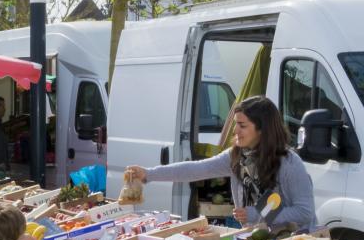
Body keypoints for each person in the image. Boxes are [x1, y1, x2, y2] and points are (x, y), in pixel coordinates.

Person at [126, 96, 317, 230]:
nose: (235, 131)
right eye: (235, 124)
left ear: (262, 129)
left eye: (242, 125)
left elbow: (304, 212)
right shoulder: (236, 156)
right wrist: (149, 174)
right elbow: (197, 169)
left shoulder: (290, 164)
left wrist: (255, 214)